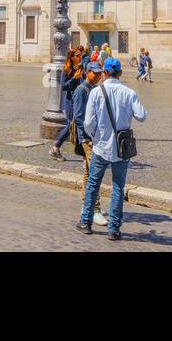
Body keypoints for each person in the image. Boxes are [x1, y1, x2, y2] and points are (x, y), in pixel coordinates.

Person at [77, 56, 146, 240]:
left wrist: (95, 137)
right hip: (121, 149)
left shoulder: (96, 92)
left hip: (100, 147)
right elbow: (141, 116)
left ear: (105, 73)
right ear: (120, 73)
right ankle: (114, 229)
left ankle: (85, 222)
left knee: (93, 184)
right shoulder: (129, 93)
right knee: (118, 187)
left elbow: (88, 123)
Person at [72, 61, 108, 228]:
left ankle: (85, 205)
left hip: (95, 137)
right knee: (95, 173)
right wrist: (89, 136)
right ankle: (95, 210)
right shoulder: (81, 90)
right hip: (88, 139)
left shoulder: (95, 89)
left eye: (100, 73)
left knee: (88, 172)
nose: (99, 75)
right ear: (87, 72)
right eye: (96, 73)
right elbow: (78, 117)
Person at [50, 48, 85, 161]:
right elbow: (63, 86)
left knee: (78, 124)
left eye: (80, 55)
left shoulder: (81, 68)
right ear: (72, 57)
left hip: (80, 100)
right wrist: (74, 79)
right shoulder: (66, 70)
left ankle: (84, 152)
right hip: (70, 101)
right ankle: (56, 147)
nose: (80, 57)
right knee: (71, 125)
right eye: (77, 55)